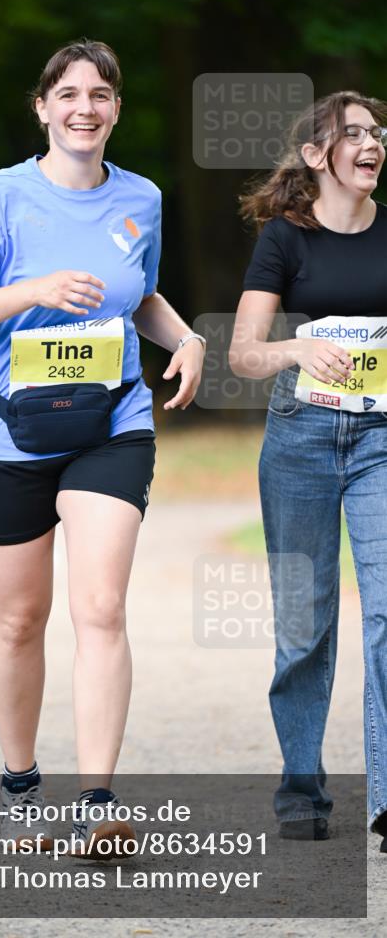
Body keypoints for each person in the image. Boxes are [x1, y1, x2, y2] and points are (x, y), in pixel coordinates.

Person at [0, 39, 205, 856]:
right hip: (3, 430)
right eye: (68, 94)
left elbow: (141, 295)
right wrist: (33, 291)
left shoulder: (142, 199)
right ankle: (21, 791)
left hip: (109, 423)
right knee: (20, 617)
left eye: (101, 94)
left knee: (100, 607)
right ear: (43, 107)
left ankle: (96, 802)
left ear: (116, 109)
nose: (84, 107)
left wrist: (184, 338)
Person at [229, 91, 387, 852]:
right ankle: (300, 789)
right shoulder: (282, 240)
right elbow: (243, 353)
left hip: (382, 439)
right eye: (351, 134)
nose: (370, 144)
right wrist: (295, 350)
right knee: (304, 626)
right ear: (319, 156)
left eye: (377, 133)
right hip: (299, 437)